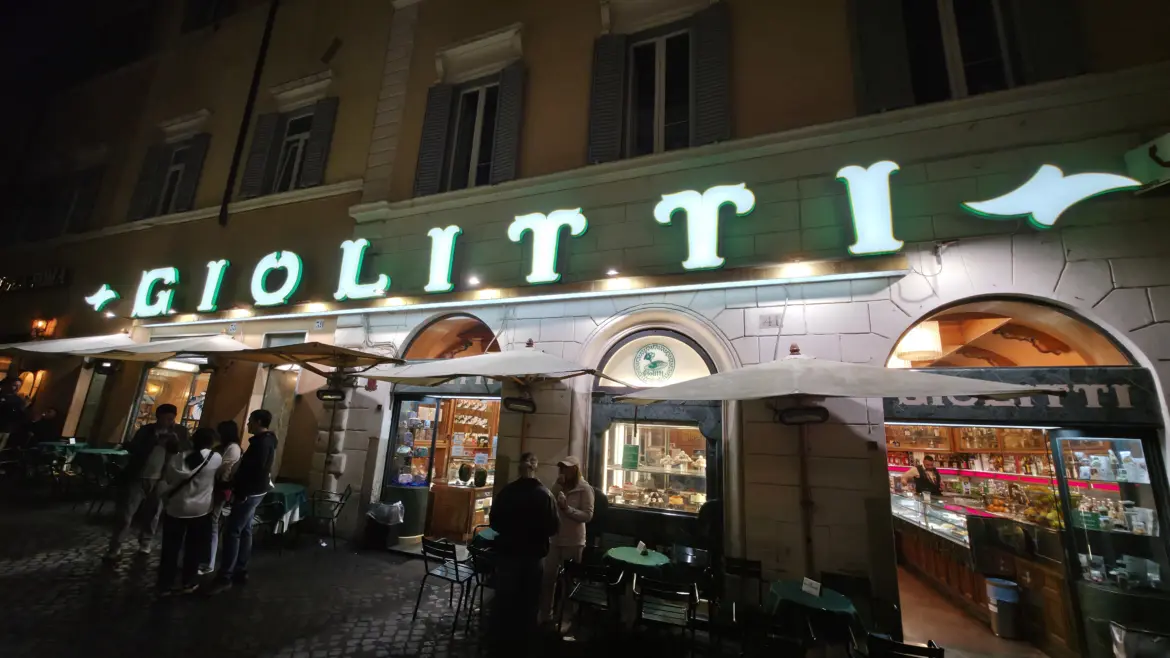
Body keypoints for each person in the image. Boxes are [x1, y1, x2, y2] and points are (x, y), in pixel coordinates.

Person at [488, 452, 559, 657]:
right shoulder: (545, 495)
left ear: (519, 468)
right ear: (535, 468)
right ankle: (524, 644)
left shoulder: (507, 492)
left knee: (506, 600)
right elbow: (553, 527)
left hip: (508, 554)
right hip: (532, 556)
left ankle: (502, 643)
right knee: (529, 602)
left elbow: (494, 522)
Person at [105, 404, 190, 561]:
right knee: (126, 513)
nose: (170, 422)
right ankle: (116, 546)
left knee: (153, 514)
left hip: (161, 479)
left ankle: (145, 542)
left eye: (172, 418)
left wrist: (174, 441)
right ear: (158, 417)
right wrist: (155, 440)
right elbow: (134, 448)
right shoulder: (146, 431)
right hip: (139, 477)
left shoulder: (179, 432)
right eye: (167, 418)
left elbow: (184, 450)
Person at [209, 409, 278, 593]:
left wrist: (236, 487)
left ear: (259, 422)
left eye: (250, 420)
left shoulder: (261, 444)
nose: (247, 424)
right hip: (256, 491)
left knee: (233, 531)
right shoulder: (267, 441)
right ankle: (240, 569)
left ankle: (226, 575)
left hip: (249, 492)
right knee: (245, 530)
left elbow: (255, 470)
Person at [157, 427, 222, 595]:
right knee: (194, 548)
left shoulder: (179, 458)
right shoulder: (215, 458)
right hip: (201, 509)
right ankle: (188, 581)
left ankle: (165, 584)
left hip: (176, 507)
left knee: (170, 548)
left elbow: (170, 479)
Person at [540, 455, 594, 626]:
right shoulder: (559, 486)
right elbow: (547, 503)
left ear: (575, 470)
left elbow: (588, 515)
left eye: (567, 468)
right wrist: (556, 486)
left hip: (573, 541)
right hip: (555, 538)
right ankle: (545, 614)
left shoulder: (585, 489)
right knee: (548, 577)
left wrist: (567, 509)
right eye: (562, 467)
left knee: (569, 582)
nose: (563, 471)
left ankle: (567, 618)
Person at [200, 420, 242, 575]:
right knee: (210, 522)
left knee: (213, 523)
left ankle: (208, 562)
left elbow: (225, 470)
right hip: (214, 488)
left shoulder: (232, 448)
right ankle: (204, 559)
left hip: (220, 490)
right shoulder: (225, 447)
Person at [0, 376, 26, 453]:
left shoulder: (18, 400)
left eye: (19, 386)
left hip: (7, 429)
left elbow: (19, 416)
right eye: (14, 385)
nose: (17, 388)